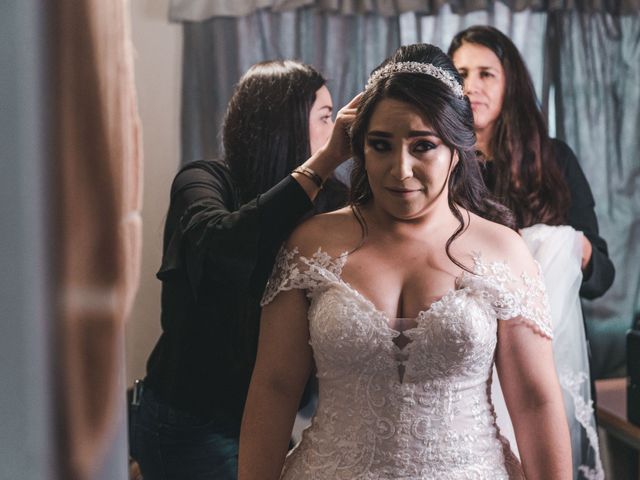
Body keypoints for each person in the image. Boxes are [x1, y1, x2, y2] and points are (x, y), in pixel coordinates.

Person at [238, 44, 571, 479]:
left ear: (457, 148)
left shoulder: (503, 249)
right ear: (359, 147)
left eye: (423, 146)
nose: (400, 169)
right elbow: (275, 388)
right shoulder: (310, 245)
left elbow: (534, 400)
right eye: (380, 145)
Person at [128, 59, 359, 480]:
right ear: (282, 124)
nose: (337, 133)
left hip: (268, 416)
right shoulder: (204, 181)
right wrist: (323, 163)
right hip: (191, 420)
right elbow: (225, 244)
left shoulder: (332, 201)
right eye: (326, 117)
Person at [448, 26, 614, 478]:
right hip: (468, 362)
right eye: (461, 72)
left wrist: (572, 249)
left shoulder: (553, 159)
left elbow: (603, 276)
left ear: (511, 85)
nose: (472, 85)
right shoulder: (439, 162)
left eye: (486, 73)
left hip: (551, 358)